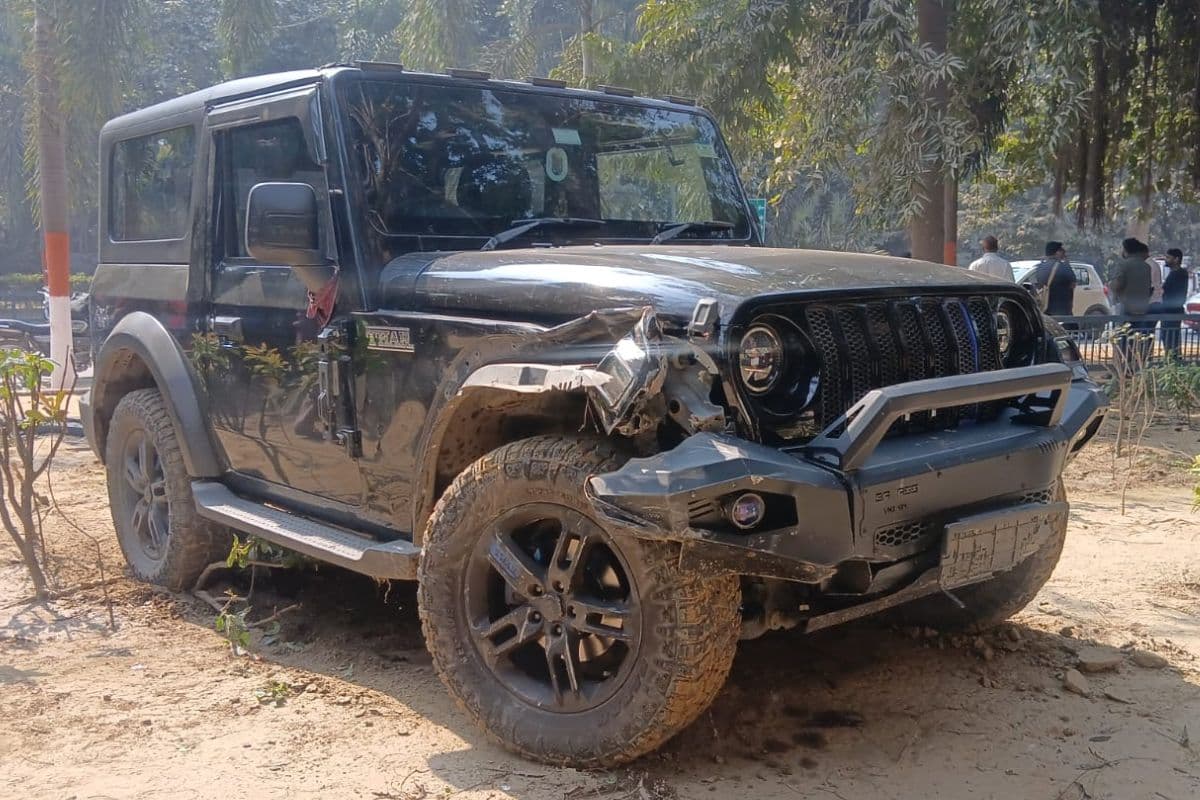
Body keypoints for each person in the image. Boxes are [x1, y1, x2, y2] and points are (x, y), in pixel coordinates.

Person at [1031, 241, 1076, 315]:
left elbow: (1036, 285)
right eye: (1061, 250)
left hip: (1045, 307)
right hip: (1062, 308)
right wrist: (1066, 262)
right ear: (1057, 252)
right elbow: (1073, 284)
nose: (1064, 253)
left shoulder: (1040, 267)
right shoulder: (1063, 267)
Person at [1159, 248, 1189, 356]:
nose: (1166, 260)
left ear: (1176, 259)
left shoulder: (1179, 274)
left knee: (1170, 339)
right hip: (1170, 310)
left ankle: (1173, 360)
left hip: (1172, 311)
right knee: (1168, 338)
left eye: (1168, 257)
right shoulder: (1176, 273)